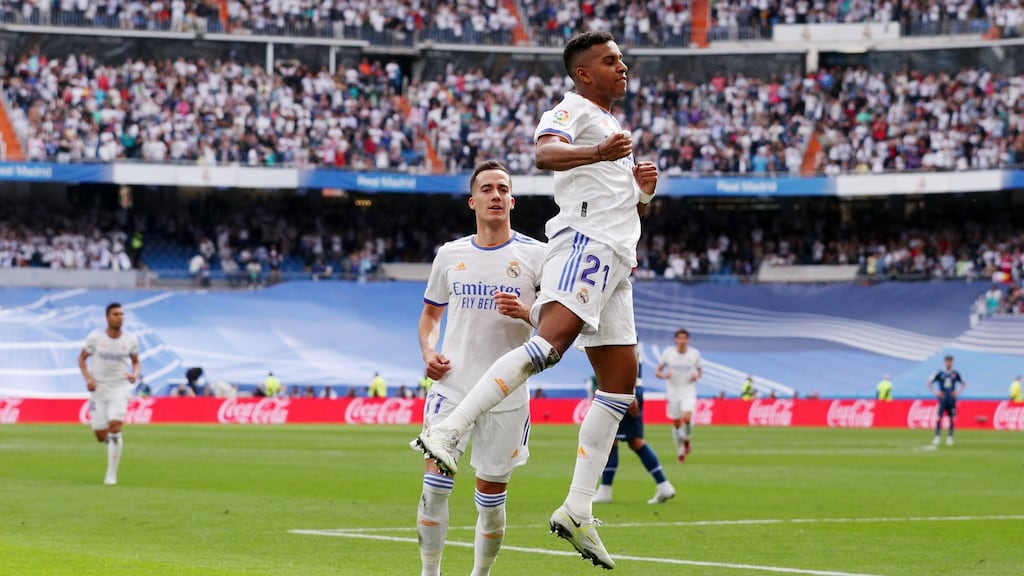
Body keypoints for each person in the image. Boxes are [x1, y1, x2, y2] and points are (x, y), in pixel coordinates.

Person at [414, 31, 659, 570]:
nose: (622, 66)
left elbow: (621, 206)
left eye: (621, 59)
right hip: (586, 243)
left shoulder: (615, 125)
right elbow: (544, 151)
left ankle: (578, 508)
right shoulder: (572, 108)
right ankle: (450, 429)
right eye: (609, 61)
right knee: (549, 345)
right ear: (583, 74)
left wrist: (643, 192)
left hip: (618, 257)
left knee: (620, 385)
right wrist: (597, 151)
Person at [413, 160, 546, 576]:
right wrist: (427, 352)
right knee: (433, 490)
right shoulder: (450, 255)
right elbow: (430, 317)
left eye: (503, 189)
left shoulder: (537, 255)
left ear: (513, 200)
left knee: (490, 503)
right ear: (473, 201)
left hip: (507, 396)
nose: (495, 195)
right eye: (487, 189)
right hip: (453, 386)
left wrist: (527, 312)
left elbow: (560, 325)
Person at [591, 349, 675, 505]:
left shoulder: (624, 330)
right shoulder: (627, 330)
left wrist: (631, 392)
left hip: (623, 389)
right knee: (634, 441)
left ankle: (605, 490)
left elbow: (629, 360)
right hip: (627, 388)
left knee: (612, 440)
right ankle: (663, 485)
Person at [77, 302, 140, 486]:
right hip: (99, 388)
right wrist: (88, 379)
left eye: (121, 314)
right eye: (115, 314)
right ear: (107, 317)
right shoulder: (95, 338)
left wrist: (134, 374)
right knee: (100, 435)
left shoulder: (130, 340)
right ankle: (113, 443)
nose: (119, 317)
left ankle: (111, 474)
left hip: (119, 387)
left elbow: (136, 362)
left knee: (115, 426)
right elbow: (81, 359)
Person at [655, 329, 703, 463]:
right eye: (680, 338)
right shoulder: (668, 353)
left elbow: (700, 370)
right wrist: (664, 375)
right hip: (673, 391)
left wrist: (696, 376)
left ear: (688, 340)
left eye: (684, 338)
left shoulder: (694, 354)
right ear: (676, 340)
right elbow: (658, 371)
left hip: (688, 389)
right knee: (676, 423)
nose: (682, 341)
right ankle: (682, 448)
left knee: (686, 418)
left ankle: (685, 444)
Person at [927, 355, 966, 446]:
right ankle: (937, 436)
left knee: (952, 418)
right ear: (945, 362)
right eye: (948, 361)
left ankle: (950, 437)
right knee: (939, 417)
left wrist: (957, 392)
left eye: (950, 361)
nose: (949, 363)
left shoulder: (955, 373)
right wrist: (936, 392)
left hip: (951, 399)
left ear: (952, 362)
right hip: (942, 399)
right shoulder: (940, 373)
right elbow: (929, 382)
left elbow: (964, 383)